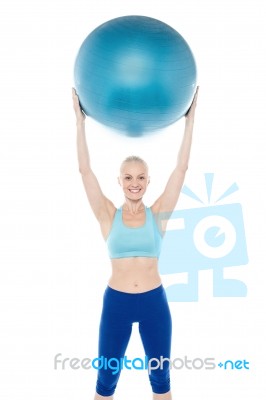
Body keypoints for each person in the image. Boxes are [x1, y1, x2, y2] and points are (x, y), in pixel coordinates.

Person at [72, 86, 199, 400]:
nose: (134, 183)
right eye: (128, 177)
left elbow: (181, 169)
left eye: (140, 177)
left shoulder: (158, 214)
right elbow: (84, 171)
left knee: (161, 380)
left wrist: (190, 121)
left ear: (148, 181)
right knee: (106, 380)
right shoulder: (107, 215)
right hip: (116, 304)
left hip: (154, 303)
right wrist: (79, 123)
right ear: (119, 181)